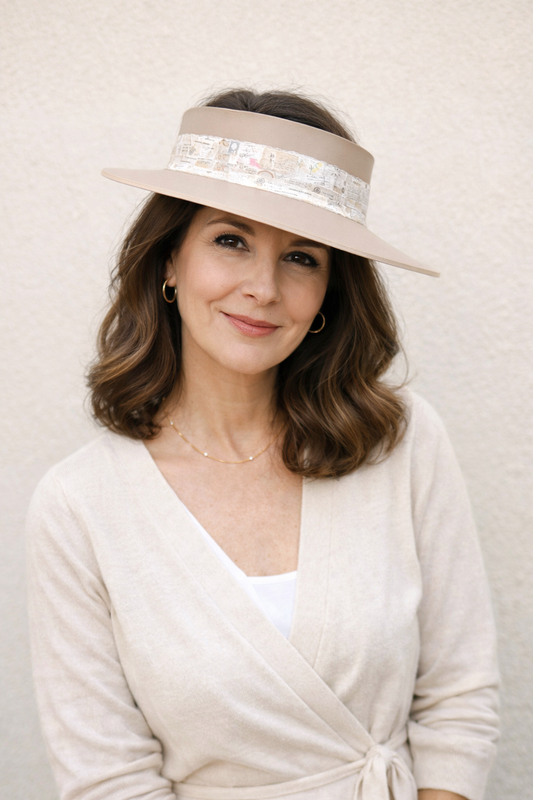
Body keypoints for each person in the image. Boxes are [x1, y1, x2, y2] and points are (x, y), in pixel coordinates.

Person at [26, 89, 499, 800]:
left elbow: (458, 700)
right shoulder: (78, 506)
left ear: (328, 293)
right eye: (230, 240)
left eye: (301, 257)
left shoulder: (398, 442)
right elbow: (107, 777)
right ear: (168, 261)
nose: (263, 288)